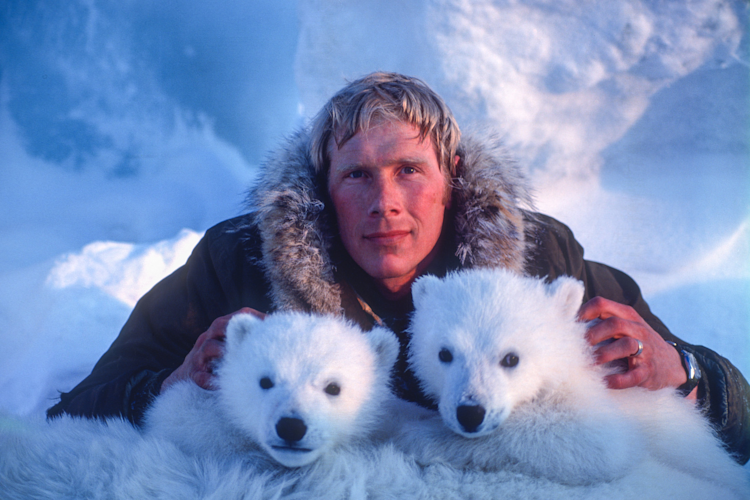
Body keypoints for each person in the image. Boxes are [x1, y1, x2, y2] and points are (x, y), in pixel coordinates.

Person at [48, 72, 750, 464]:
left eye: (409, 170)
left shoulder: (539, 264)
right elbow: (77, 406)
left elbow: (738, 426)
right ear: (324, 189)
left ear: (451, 177)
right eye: (357, 176)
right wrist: (167, 385)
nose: (385, 202)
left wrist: (686, 374)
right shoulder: (238, 263)